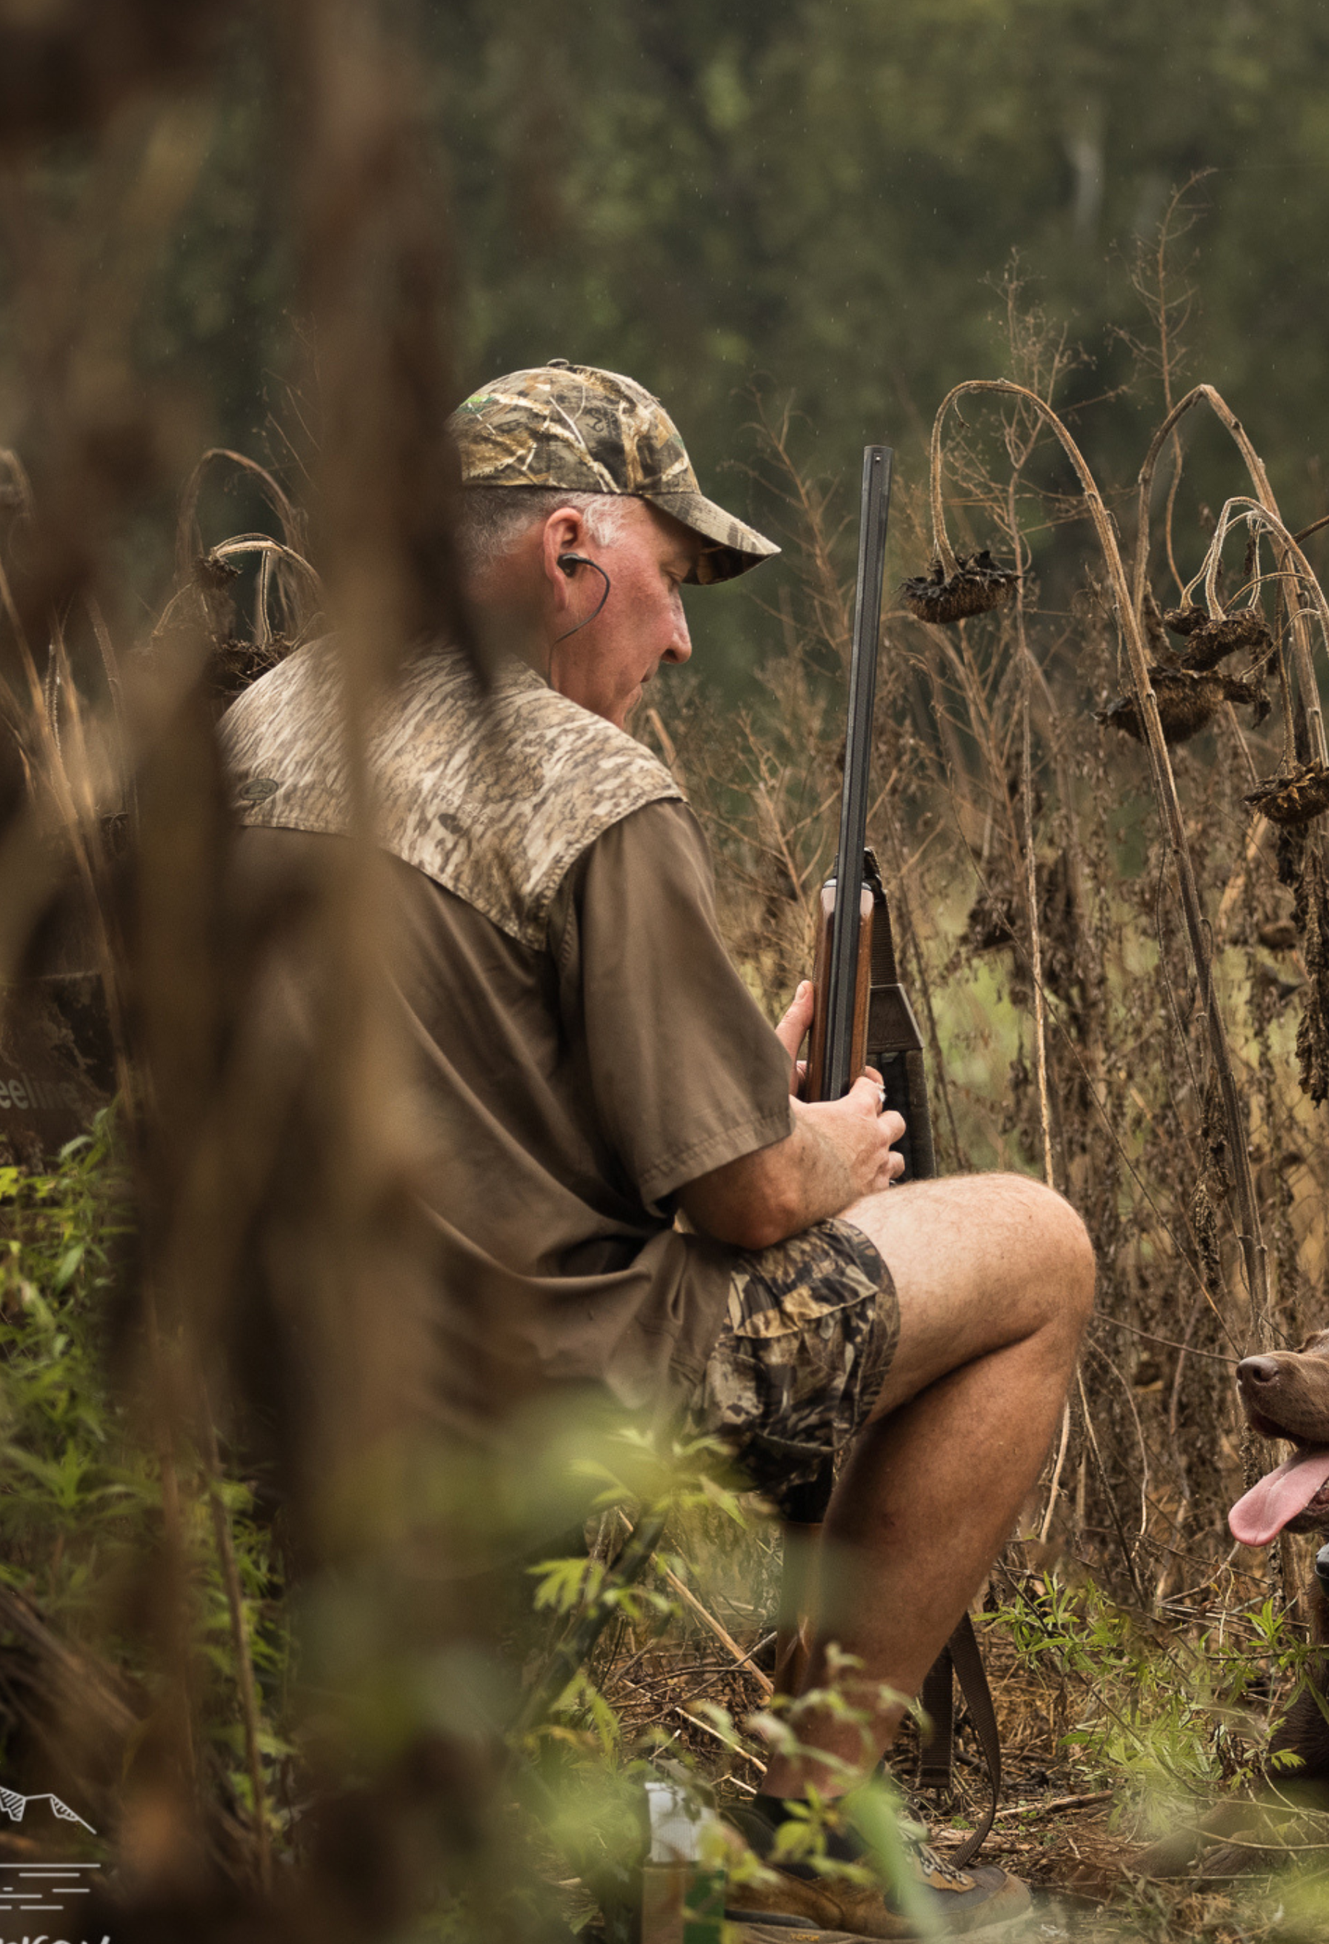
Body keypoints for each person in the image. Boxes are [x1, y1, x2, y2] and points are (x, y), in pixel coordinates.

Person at [220, 361, 1092, 1937]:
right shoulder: (583, 779)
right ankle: (806, 1839)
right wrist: (834, 1134)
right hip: (544, 1381)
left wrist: (723, 1083)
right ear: (569, 555)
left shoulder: (260, 726)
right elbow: (749, 1198)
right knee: (1038, 1248)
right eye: (674, 582)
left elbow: (469, 1090)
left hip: (275, 1379)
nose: (683, 636)